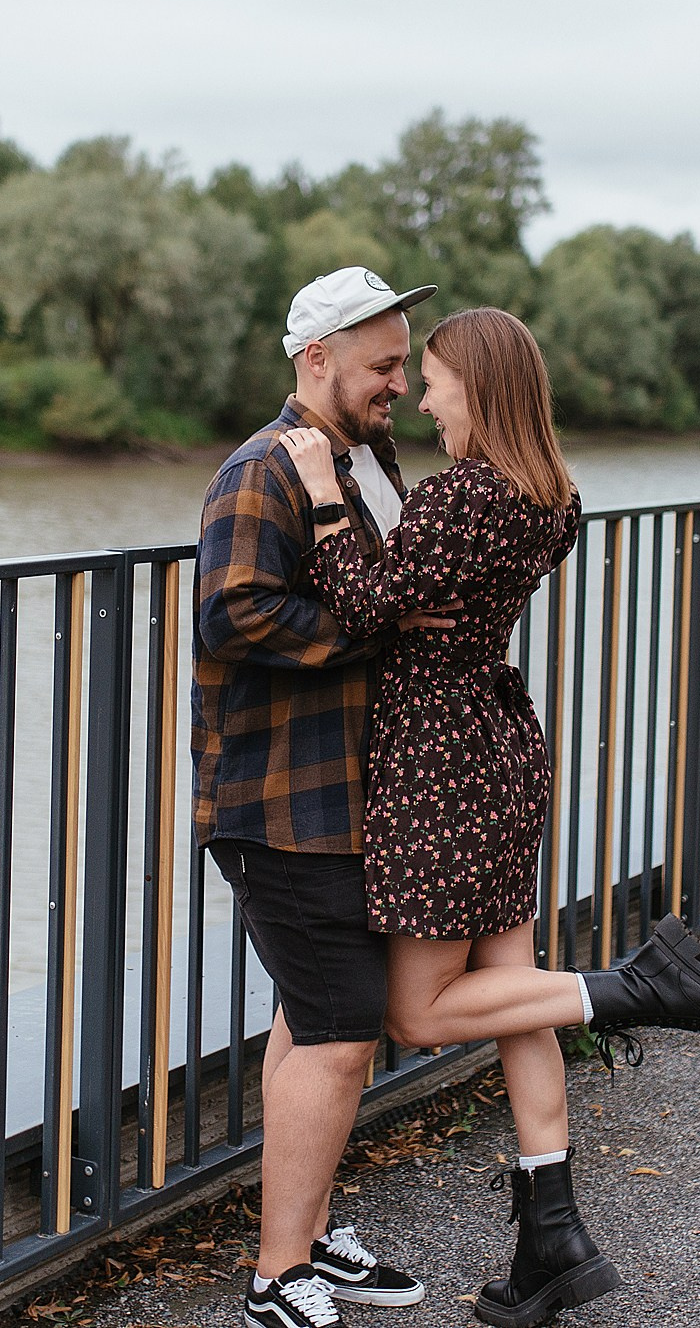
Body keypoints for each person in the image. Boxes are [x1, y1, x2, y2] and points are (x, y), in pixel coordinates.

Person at [277, 306, 700, 1328]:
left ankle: (635, 985)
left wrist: (329, 496)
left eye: (435, 380)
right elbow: (420, 587)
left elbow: (369, 605)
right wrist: (399, 558)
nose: (421, 397)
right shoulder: (553, 495)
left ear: (480, 383)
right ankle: (551, 1232)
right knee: (515, 996)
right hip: (500, 741)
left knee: (422, 1010)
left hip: (435, 762)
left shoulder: (464, 494)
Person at [195, 266, 449, 1328]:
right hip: (278, 800)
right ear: (317, 359)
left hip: (347, 795)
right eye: (382, 363)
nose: (398, 380)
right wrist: (381, 630)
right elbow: (236, 612)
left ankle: (305, 1235)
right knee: (345, 1028)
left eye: (404, 362)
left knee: (313, 1021)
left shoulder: (364, 458)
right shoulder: (263, 468)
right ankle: (274, 1274)